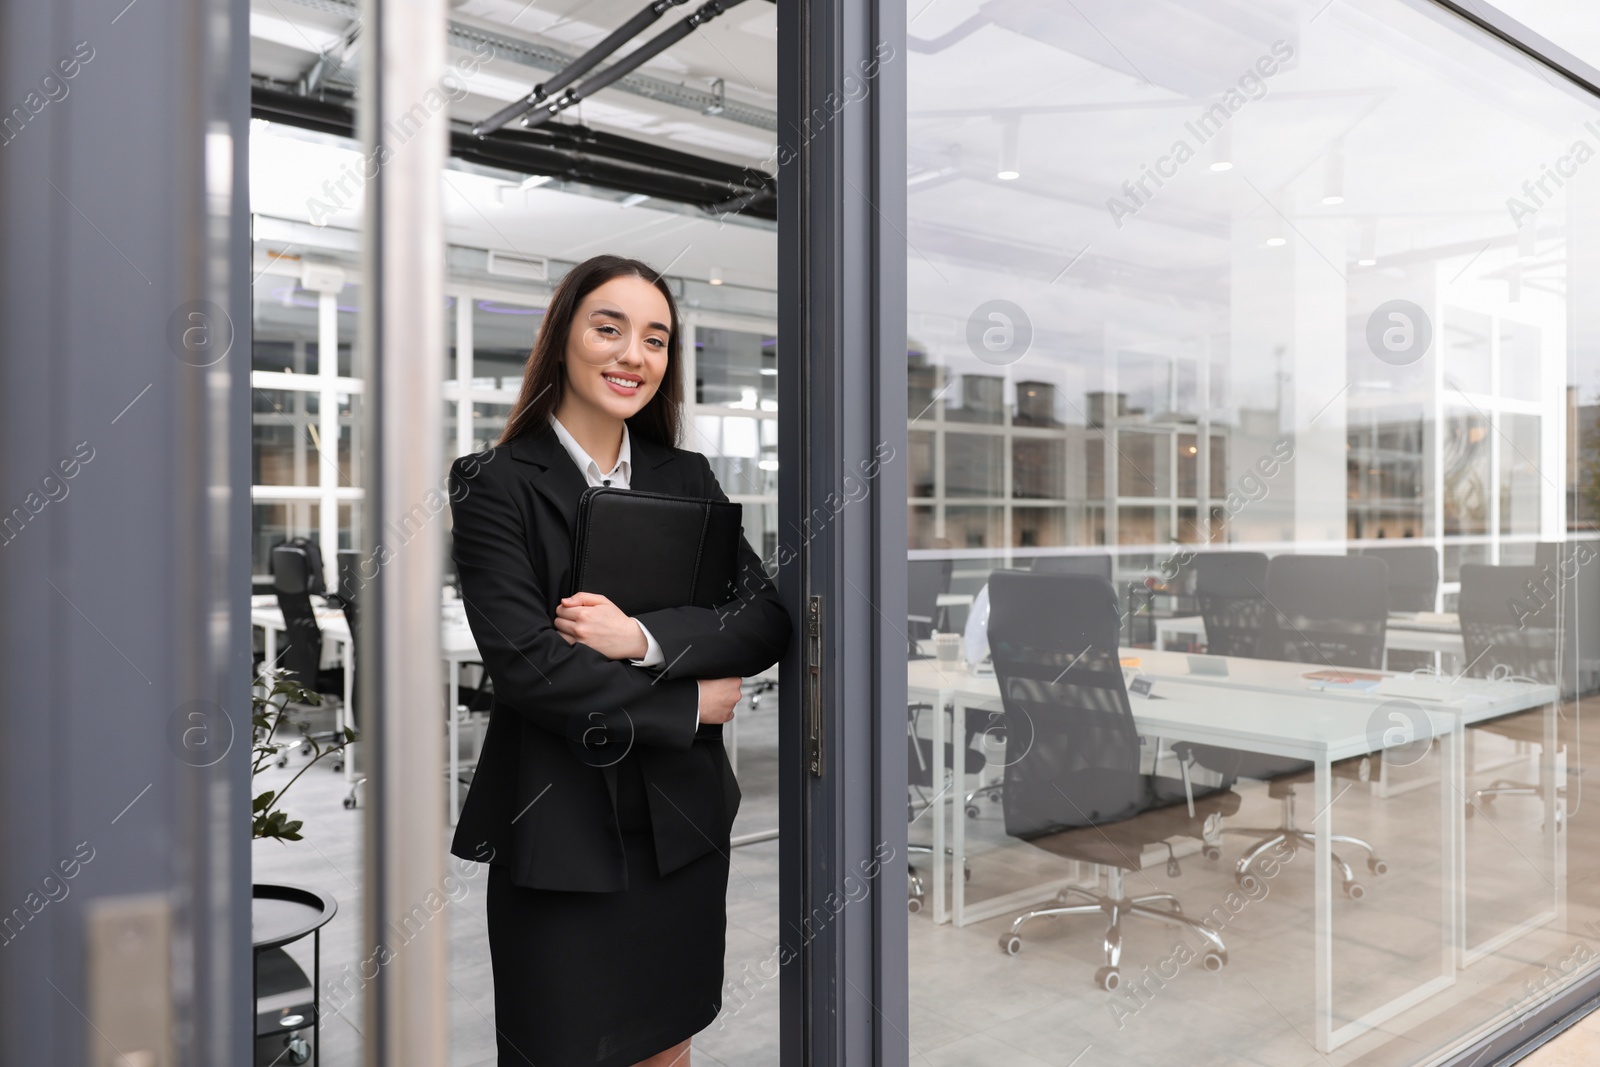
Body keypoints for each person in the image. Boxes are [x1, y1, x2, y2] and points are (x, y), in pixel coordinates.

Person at [446, 254, 792, 1066]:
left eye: (656, 338)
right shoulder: (493, 483)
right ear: (563, 336)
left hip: (680, 832)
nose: (633, 354)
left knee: (666, 1049)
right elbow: (528, 665)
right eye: (609, 328)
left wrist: (638, 636)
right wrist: (685, 704)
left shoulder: (688, 476)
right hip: (559, 833)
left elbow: (765, 617)